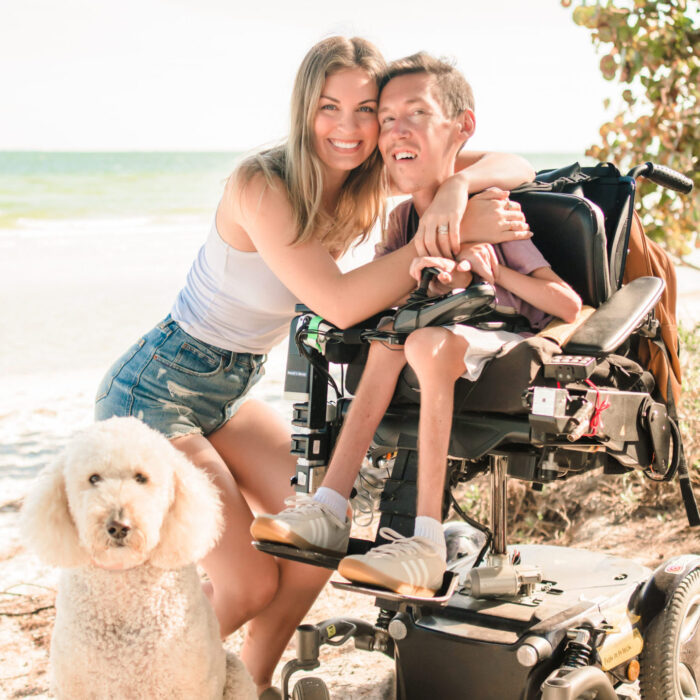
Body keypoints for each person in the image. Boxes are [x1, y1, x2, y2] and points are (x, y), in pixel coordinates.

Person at [95, 37, 534, 696]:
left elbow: (517, 162)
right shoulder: (260, 184)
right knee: (247, 584)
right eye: (331, 108)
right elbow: (338, 302)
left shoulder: (365, 176)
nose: (351, 129)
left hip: (230, 393)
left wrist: (457, 193)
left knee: (317, 545)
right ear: (306, 111)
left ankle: (251, 683)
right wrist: (437, 233)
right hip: (156, 390)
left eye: (368, 111)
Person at [251, 53, 582, 598]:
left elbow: (566, 304)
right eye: (384, 118)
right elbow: (390, 303)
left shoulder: (489, 207)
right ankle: (332, 506)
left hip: (499, 340)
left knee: (424, 343)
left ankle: (426, 543)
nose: (395, 130)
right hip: (434, 338)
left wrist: (496, 270)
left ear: (460, 128)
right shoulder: (403, 218)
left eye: (416, 114)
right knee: (389, 343)